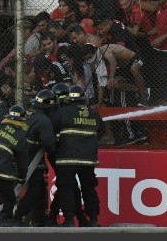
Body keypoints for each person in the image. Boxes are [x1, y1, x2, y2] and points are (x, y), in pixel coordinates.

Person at [51, 86, 104, 227]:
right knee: (89, 187)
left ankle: (69, 220)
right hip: (88, 159)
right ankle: (93, 219)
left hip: (66, 158)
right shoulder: (93, 113)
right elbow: (101, 131)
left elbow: (52, 132)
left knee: (65, 188)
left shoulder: (62, 112)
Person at [12, 90, 57, 227]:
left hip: (20, 157)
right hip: (32, 162)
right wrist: (55, 160)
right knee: (35, 190)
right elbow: (47, 143)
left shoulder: (31, 116)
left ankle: (39, 219)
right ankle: (17, 217)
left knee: (39, 190)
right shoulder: (45, 121)